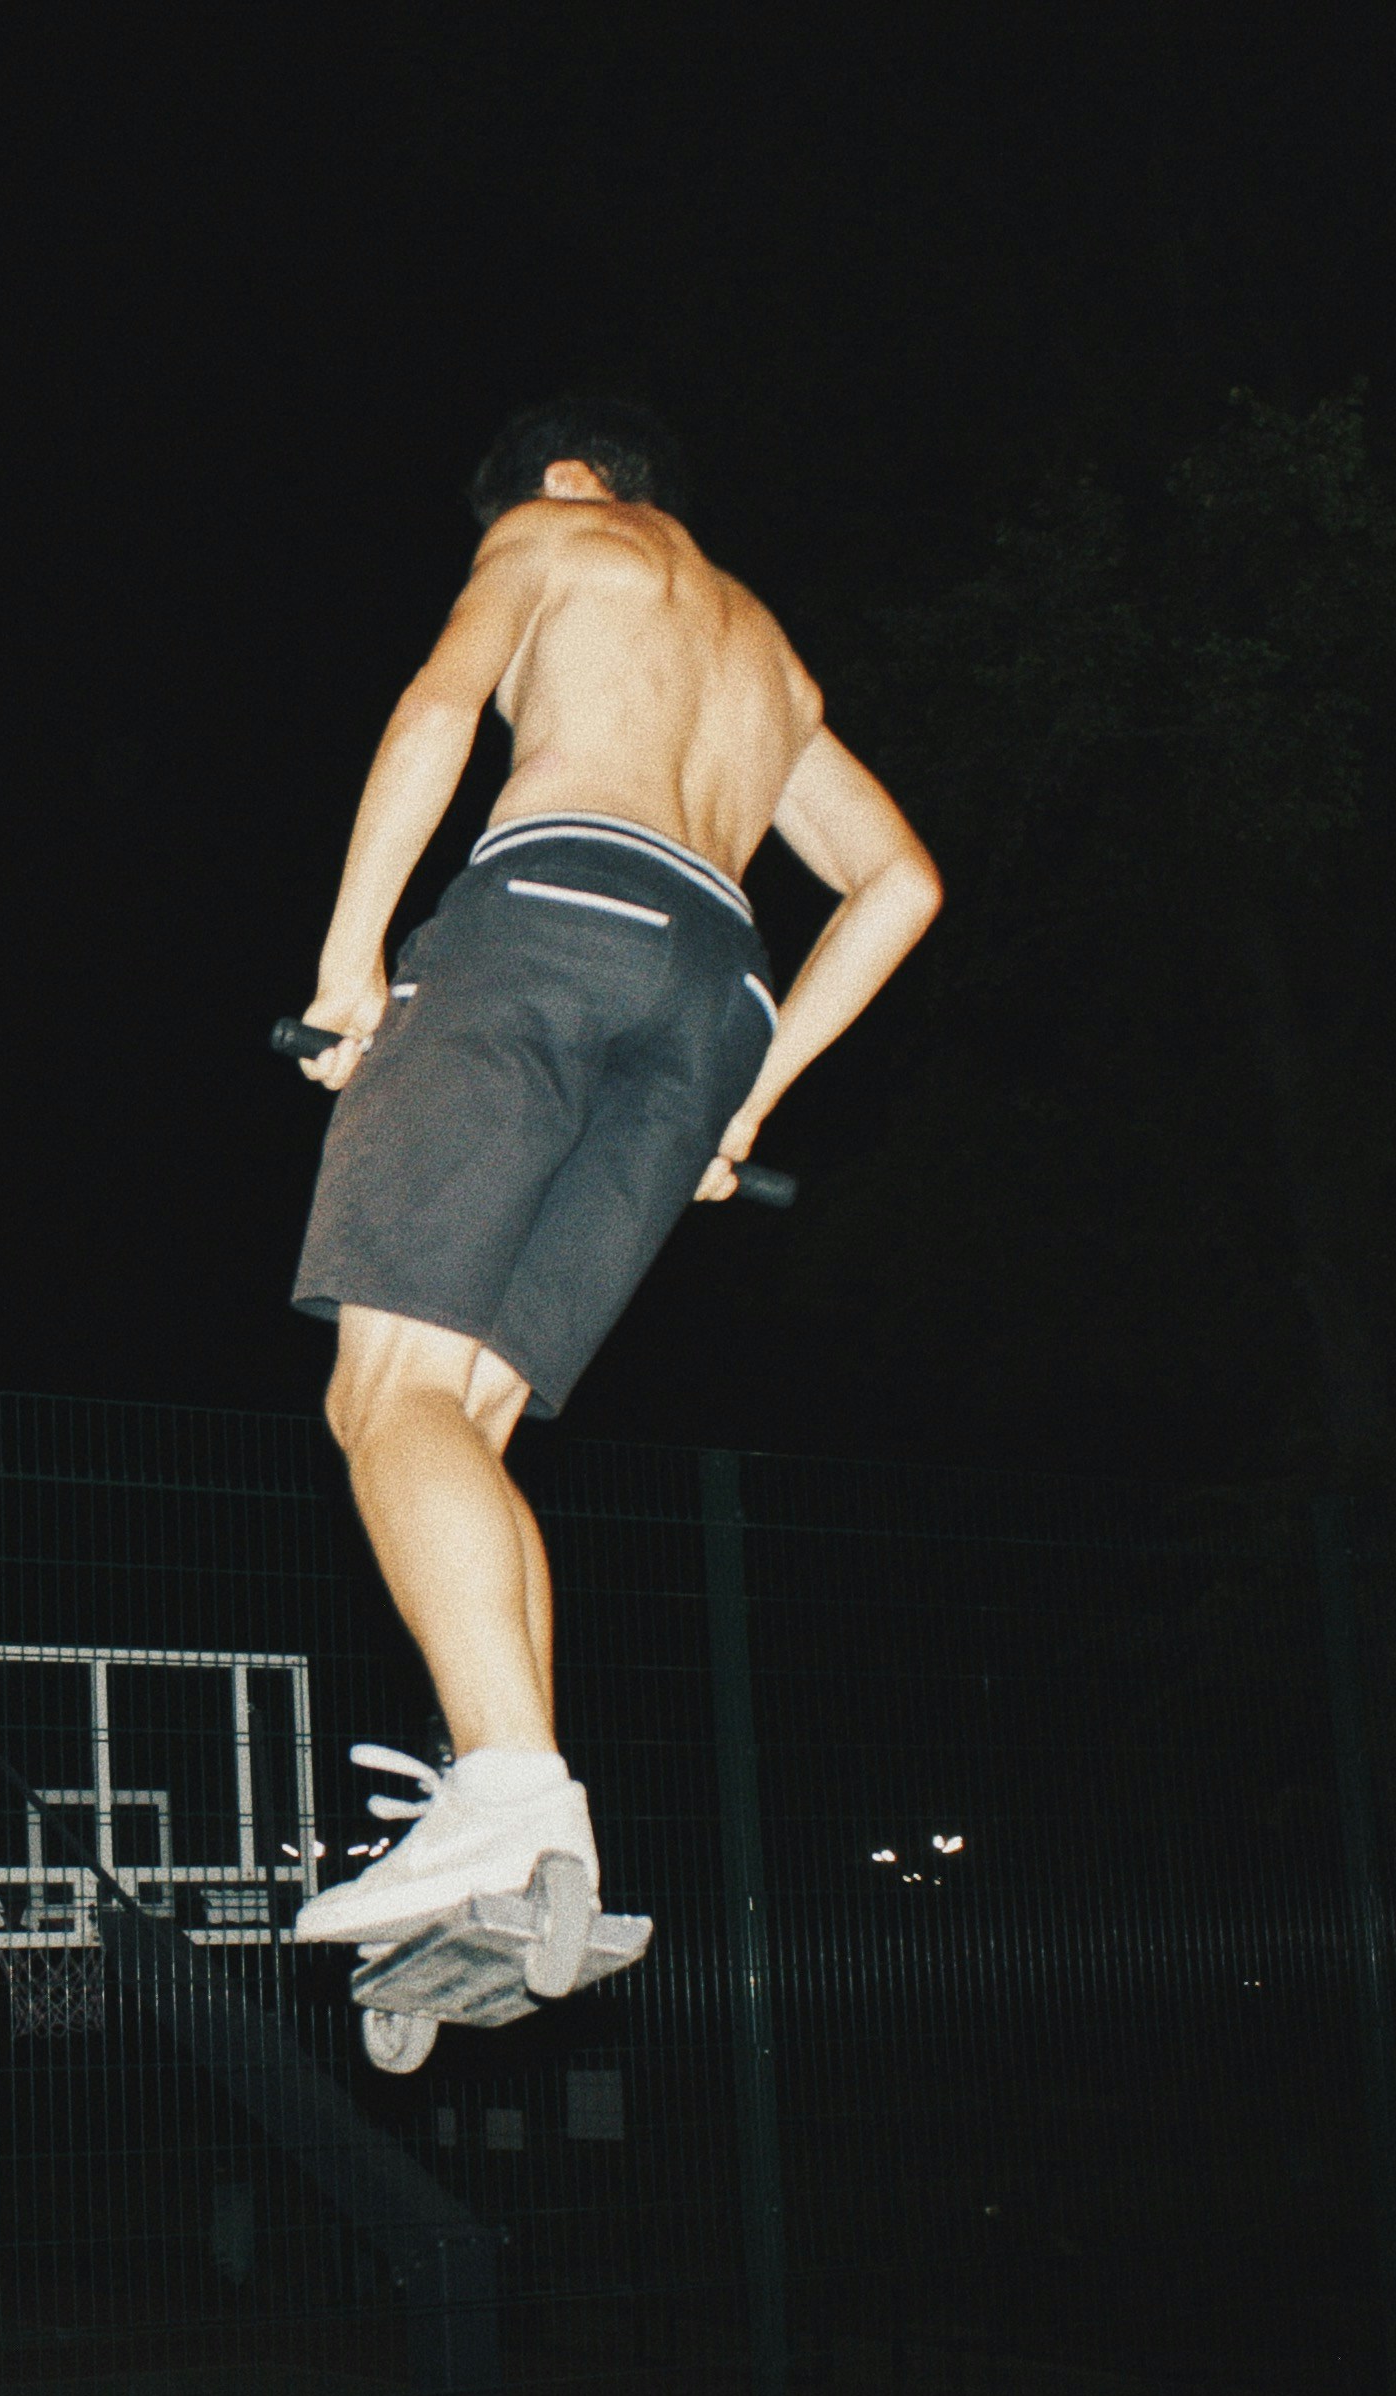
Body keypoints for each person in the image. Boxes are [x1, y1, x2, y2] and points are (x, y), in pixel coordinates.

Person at [287, 397, 940, 1968]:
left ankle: (509, 1788)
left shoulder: (556, 534)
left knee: (383, 1395)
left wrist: (348, 964)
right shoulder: (773, 661)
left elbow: (435, 710)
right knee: (474, 1414)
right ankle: (517, 1806)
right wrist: (747, 1106)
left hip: (547, 923)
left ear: (572, 486)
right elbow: (899, 879)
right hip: (716, 1003)